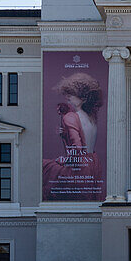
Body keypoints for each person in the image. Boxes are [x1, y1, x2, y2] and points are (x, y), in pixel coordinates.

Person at [42, 72, 104, 200]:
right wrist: (65, 135)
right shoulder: (91, 117)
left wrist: (63, 160)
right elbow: (85, 140)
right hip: (93, 164)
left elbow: (77, 148)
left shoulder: (70, 117)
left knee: (43, 167)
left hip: (79, 168)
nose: (67, 97)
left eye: (72, 94)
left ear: (84, 98)